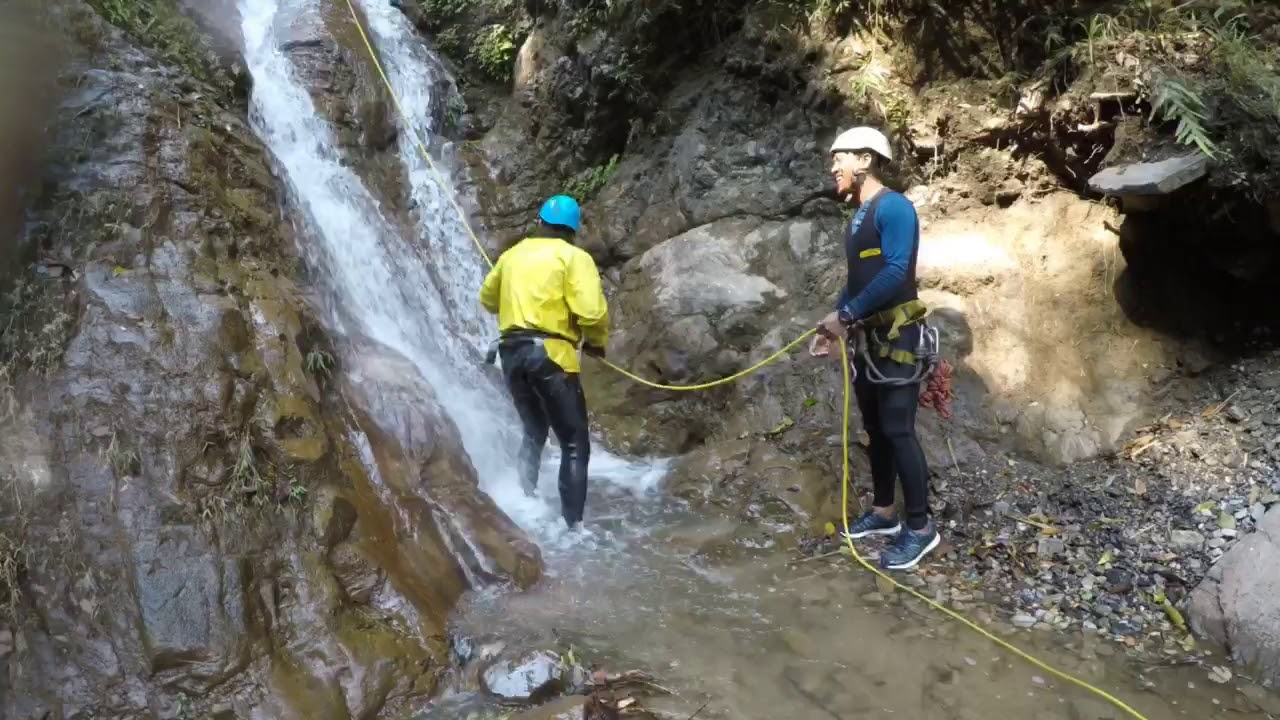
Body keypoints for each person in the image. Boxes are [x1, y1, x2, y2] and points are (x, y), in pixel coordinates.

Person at [811, 126, 940, 571]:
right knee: (876, 427)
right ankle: (885, 511)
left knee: (899, 428)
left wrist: (847, 316)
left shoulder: (894, 207)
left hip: (898, 337)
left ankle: (921, 528)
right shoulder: (858, 217)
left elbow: (897, 270)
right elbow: (858, 280)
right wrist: (835, 321)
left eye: (839, 158)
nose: (833, 167)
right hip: (869, 339)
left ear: (865, 160)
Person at [479, 195, 609, 529]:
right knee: (574, 443)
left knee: (534, 431)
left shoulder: (512, 255)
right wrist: (596, 343)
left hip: (511, 354)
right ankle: (573, 528)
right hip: (550, 355)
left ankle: (526, 501)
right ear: (572, 231)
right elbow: (592, 313)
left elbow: (487, 299)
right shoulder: (574, 257)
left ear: (539, 222)